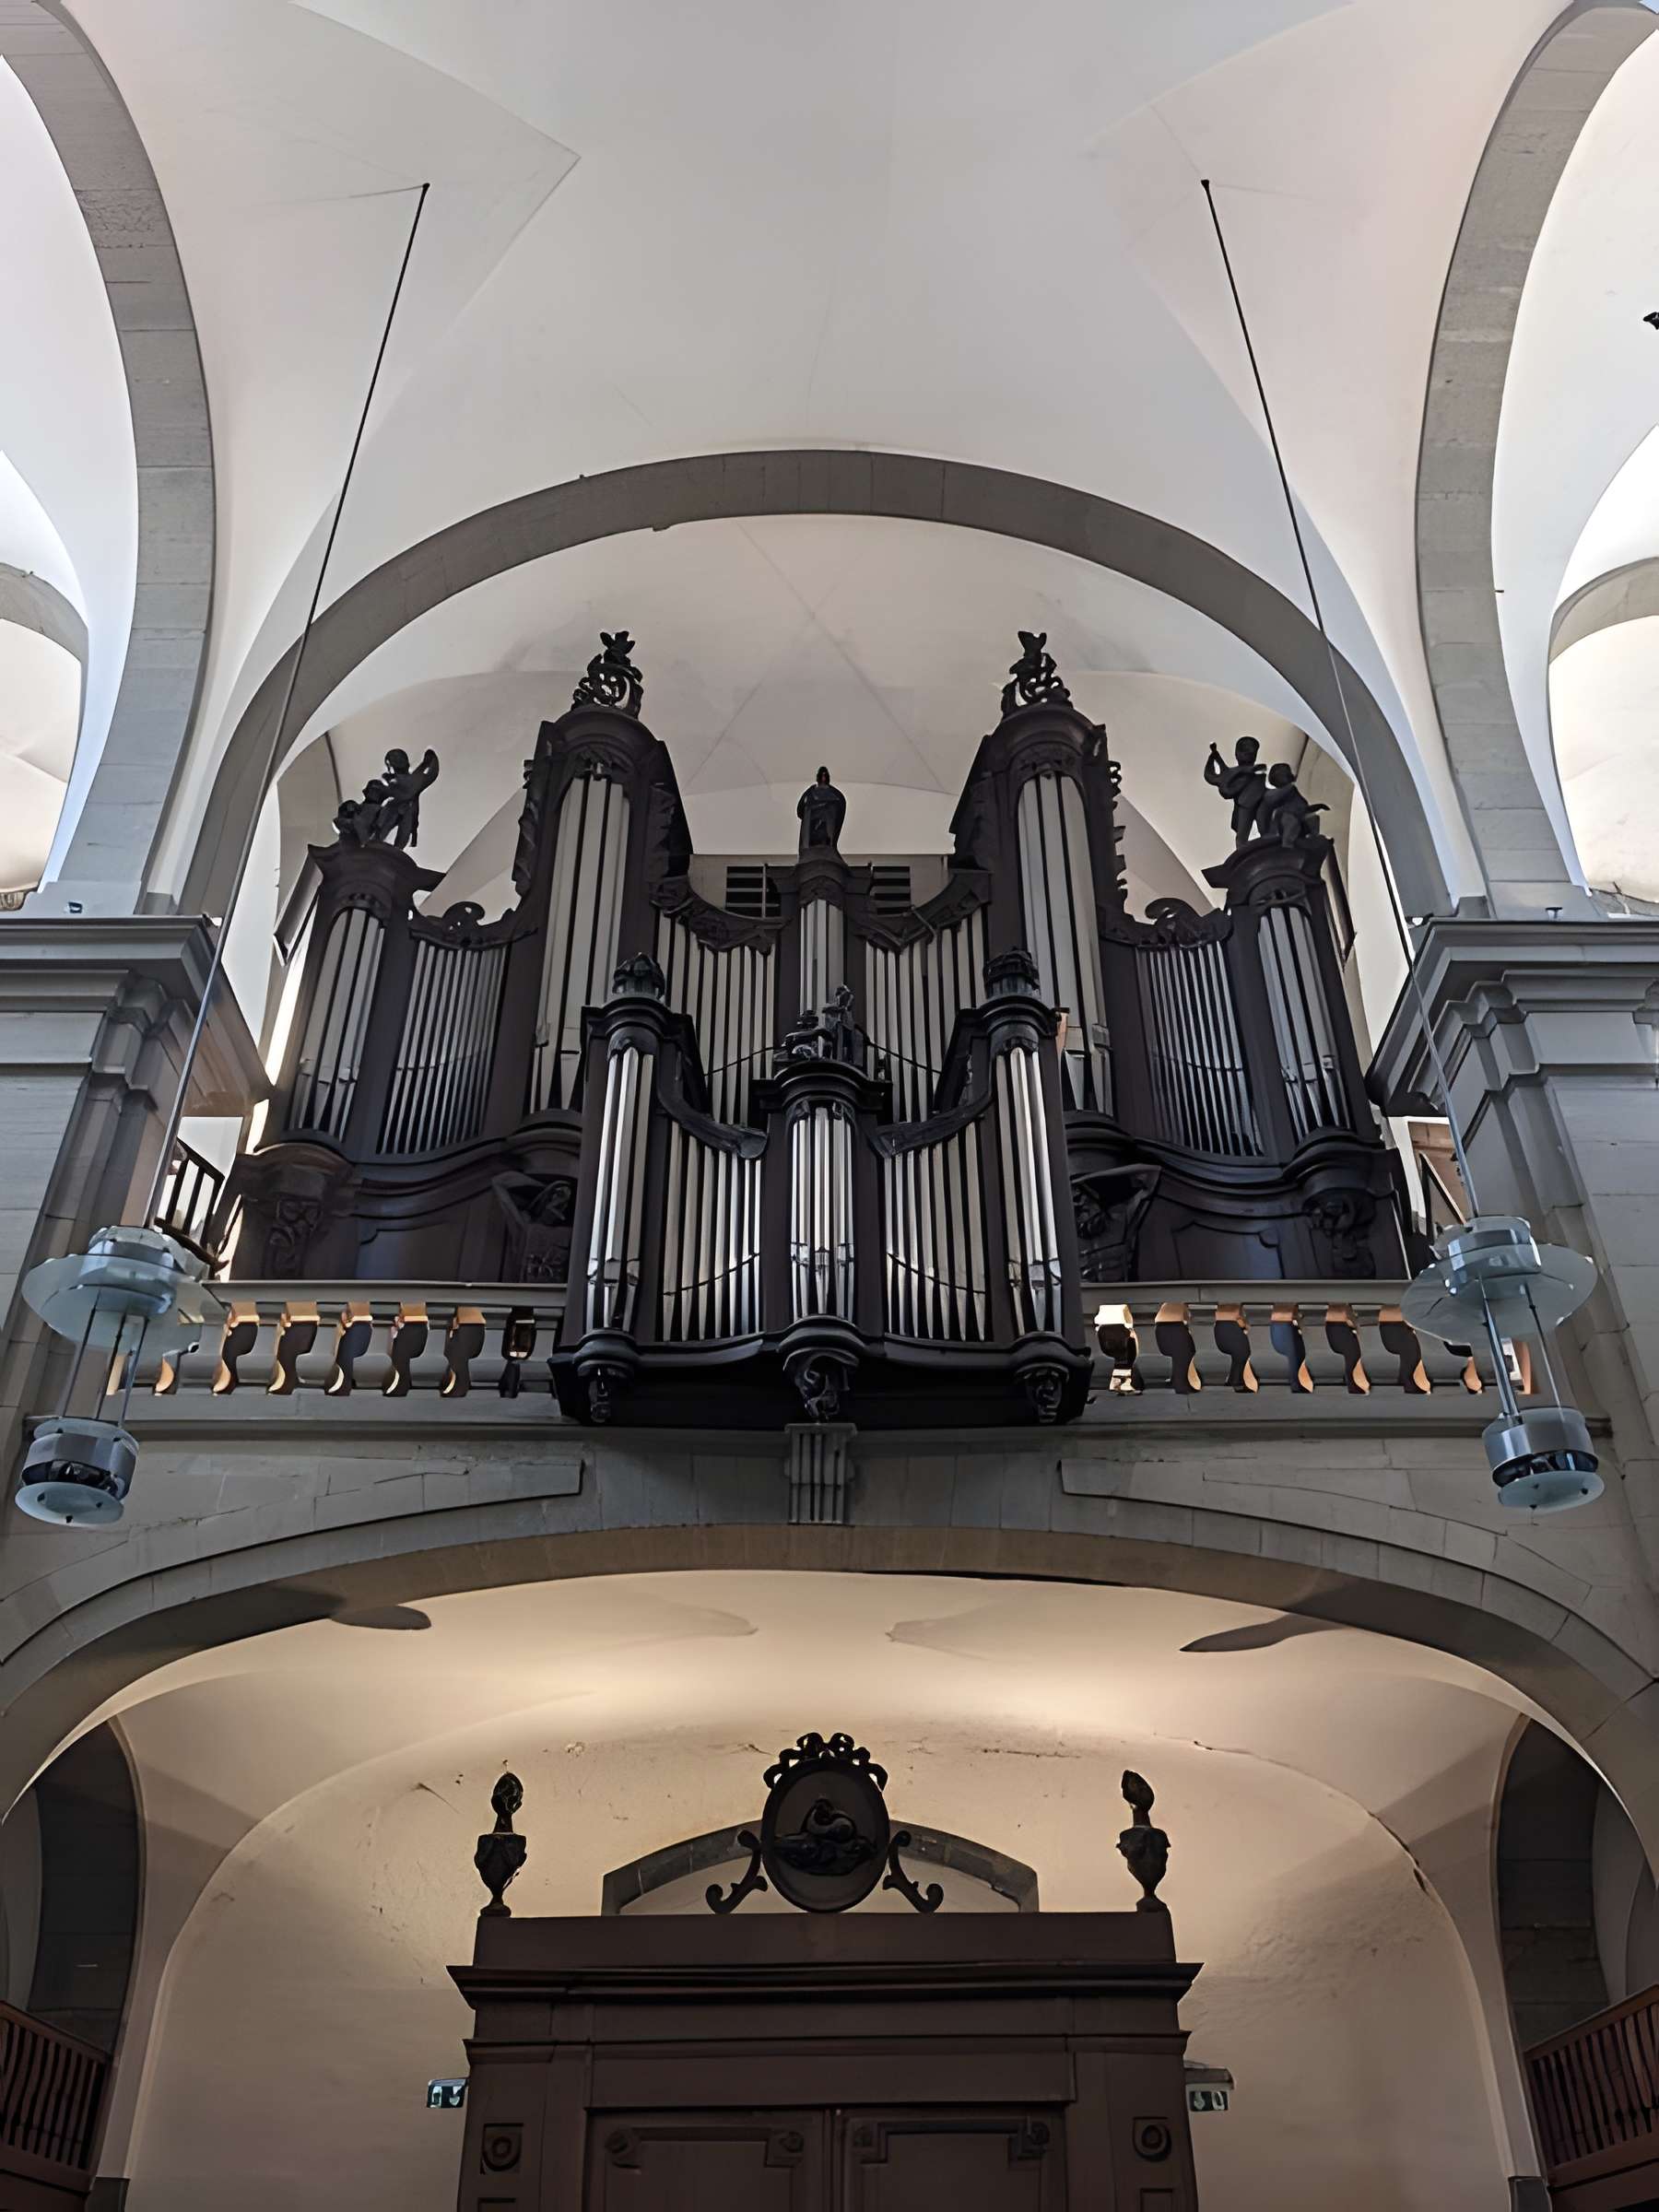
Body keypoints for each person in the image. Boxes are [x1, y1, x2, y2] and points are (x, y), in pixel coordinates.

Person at [1204, 735, 1267, 848]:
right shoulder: (1234, 773)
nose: (1247, 753)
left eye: (1250, 750)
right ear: (1237, 753)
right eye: (1244, 749)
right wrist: (1214, 756)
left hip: (1259, 802)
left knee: (1265, 831)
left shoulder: (1257, 773)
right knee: (1242, 837)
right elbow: (1218, 781)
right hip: (1245, 805)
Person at [796, 765, 846, 853]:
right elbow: (800, 812)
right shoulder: (837, 795)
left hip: (815, 841)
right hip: (821, 840)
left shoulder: (809, 793)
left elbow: (800, 812)